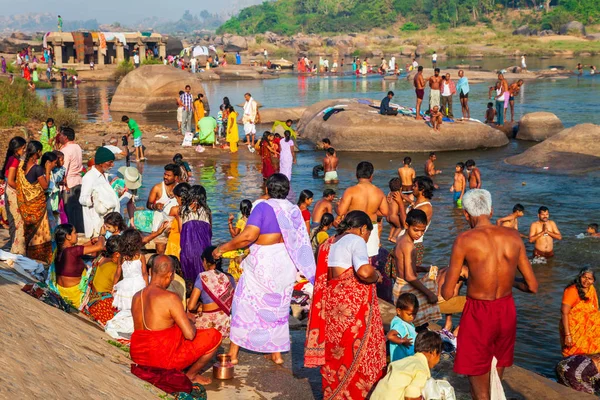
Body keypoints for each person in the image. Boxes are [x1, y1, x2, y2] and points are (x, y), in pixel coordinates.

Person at [441, 189, 538, 400]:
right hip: (506, 310)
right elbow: (532, 286)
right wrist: (507, 280)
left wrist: (462, 275)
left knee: (480, 388)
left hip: (479, 312)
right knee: (495, 379)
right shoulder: (513, 236)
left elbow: (447, 293)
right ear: (492, 211)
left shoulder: (465, 239)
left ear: (466, 214)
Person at [214, 175, 316, 366]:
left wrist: (222, 248)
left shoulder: (262, 206)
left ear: (267, 190)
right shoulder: (294, 210)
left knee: (244, 304)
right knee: (278, 308)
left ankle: (233, 354)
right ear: (287, 191)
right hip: (285, 264)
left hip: (263, 265)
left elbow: (247, 237)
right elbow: (300, 240)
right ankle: (276, 355)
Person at [304, 211, 385, 397]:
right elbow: (364, 271)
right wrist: (377, 275)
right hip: (351, 312)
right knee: (355, 355)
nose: (365, 240)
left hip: (332, 308)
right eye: (367, 235)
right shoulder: (355, 240)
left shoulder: (328, 244)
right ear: (363, 228)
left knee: (335, 355)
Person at [130, 255, 222, 385]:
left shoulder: (136, 296)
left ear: (150, 272)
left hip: (138, 356)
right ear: (170, 275)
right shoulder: (170, 297)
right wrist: (189, 320)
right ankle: (191, 376)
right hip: (160, 360)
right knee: (214, 336)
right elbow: (189, 335)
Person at [392, 209, 440, 326]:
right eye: (416, 230)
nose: (419, 234)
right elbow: (409, 276)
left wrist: (425, 269)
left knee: (407, 325)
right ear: (406, 225)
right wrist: (429, 293)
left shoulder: (400, 239)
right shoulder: (408, 246)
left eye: (422, 231)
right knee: (417, 325)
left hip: (400, 285)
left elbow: (406, 267)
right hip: (406, 288)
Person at [336, 161, 389, 259]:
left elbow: (341, 212)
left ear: (356, 175)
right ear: (371, 176)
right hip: (371, 227)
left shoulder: (350, 191)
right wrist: (372, 211)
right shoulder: (379, 192)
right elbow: (385, 212)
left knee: (351, 258)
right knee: (370, 258)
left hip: (354, 227)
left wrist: (337, 205)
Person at [371, 331, 443, 400]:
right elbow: (410, 397)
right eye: (439, 356)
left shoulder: (405, 362)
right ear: (434, 353)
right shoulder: (421, 369)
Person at [50, 224, 106, 308]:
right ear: (68, 237)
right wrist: (102, 235)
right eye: (75, 233)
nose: (77, 235)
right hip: (76, 297)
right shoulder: (72, 251)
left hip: (61, 292)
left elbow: (79, 249)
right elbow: (100, 246)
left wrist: (91, 242)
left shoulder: (59, 249)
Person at [15, 141, 53, 263]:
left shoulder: (21, 167)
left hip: (27, 207)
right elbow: (45, 186)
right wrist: (47, 170)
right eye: (40, 151)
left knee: (30, 232)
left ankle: (30, 256)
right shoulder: (37, 169)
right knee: (39, 232)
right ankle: (40, 257)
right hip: (37, 207)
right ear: (37, 153)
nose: (41, 154)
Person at [187, 246, 236, 338]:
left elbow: (191, 306)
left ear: (205, 260)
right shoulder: (230, 277)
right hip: (226, 324)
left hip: (208, 324)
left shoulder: (203, 276)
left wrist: (199, 305)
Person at [79, 147, 119, 239]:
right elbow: (82, 199)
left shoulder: (105, 175)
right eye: (110, 162)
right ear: (101, 163)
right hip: (96, 224)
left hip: (108, 223)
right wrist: (93, 199)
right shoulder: (89, 177)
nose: (112, 165)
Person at [561, 268, 600, 357]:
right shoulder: (572, 291)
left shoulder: (591, 289)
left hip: (591, 329)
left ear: (593, 281)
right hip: (574, 329)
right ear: (579, 277)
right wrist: (568, 335)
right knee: (574, 355)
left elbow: (594, 308)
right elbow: (564, 313)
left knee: (592, 354)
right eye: (584, 277)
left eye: (590, 279)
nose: (586, 281)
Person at [84, 235, 121, 325]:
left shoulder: (100, 257)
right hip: (101, 304)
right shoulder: (115, 268)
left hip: (90, 301)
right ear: (117, 254)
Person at [178, 185, 212, 282]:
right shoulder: (207, 211)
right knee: (204, 279)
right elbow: (210, 231)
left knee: (189, 278)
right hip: (204, 249)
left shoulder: (183, 210)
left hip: (188, 250)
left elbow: (181, 231)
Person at [147, 164, 180, 254]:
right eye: (165, 174)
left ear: (176, 177)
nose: (165, 177)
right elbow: (148, 204)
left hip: (175, 226)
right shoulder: (157, 188)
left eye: (168, 175)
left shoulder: (180, 189)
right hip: (159, 226)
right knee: (160, 252)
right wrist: (155, 206)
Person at [112, 228, 148, 312]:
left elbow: (118, 273)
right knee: (139, 308)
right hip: (140, 284)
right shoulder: (140, 256)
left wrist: (114, 286)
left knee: (126, 308)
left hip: (125, 286)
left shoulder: (122, 257)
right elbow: (144, 274)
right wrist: (147, 286)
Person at [2, 136, 27, 254]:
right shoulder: (15, 160)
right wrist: (22, 189)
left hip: (8, 191)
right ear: (17, 149)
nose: (24, 151)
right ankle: (18, 251)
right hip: (13, 192)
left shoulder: (11, 158)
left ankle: (14, 248)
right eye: (23, 148)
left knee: (13, 223)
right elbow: (12, 180)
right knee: (19, 223)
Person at [58, 127, 84, 233]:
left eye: (61, 135)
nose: (59, 137)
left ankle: (71, 233)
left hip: (69, 183)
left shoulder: (66, 150)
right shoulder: (77, 147)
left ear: (66, 137)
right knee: (78, 210)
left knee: (69, 210)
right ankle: (79, 232)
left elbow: (63, 170)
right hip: (78, 181)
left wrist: (64, 184)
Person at [224, 199, 253, 281]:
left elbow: (234, 235)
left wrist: (230, 222)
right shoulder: (252, 221)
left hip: (241, 249)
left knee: (235, 274)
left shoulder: (241, 222)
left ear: (241, 209)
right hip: (249, 249)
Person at [388, 293, 419, 362]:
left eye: (414, 314)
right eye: (409, 314)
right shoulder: (400, 323)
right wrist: (402, 341)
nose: (412, 317)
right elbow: (390, 336)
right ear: (399, 311)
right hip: (401, 359)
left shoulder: (405, 321)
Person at [164, 182, 191, 259]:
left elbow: (167, 226)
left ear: (180, 197)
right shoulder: (194, 210)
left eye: (176, 198)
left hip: (175, 242)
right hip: (189, 243)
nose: (176, 201)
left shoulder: (175, 210)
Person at [387, 178, 406, 243]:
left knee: (393, 226)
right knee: (400, 226)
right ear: (401, 188)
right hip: (394, 216)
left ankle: (390, 237)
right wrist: (412, 201)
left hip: (388, 217)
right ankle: (394, 237)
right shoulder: (397, 193)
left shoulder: (389, 194)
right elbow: (405, 197)